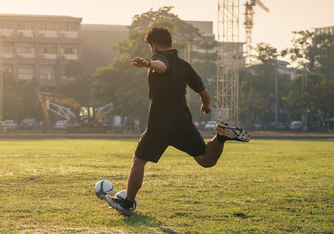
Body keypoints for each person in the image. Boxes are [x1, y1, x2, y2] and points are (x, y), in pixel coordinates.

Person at [106, 27, 250, 216]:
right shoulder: (185, 66)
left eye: (150, 47)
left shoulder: (160, 59)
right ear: (171, 43)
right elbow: (204, 93)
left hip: (159, 126)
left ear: (154, 46)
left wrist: (148, 63)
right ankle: (221, 136)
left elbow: (161, 66)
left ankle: (128, 203)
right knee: (206, 160)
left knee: (138, 161)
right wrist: (206, 107)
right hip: (182, 123)